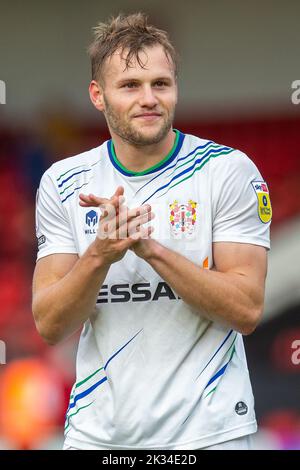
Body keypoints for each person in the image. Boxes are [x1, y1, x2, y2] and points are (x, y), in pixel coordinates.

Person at [32, 12, 272, 450]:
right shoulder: (64, 181)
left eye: (161, 83)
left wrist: (151, 250)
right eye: (130, 86)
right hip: (98, 436)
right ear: (98, 95)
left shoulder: (227, 171)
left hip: (210, 434)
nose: (149, 98)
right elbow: (50, 323)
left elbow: (247, 310)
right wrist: (100, 255)